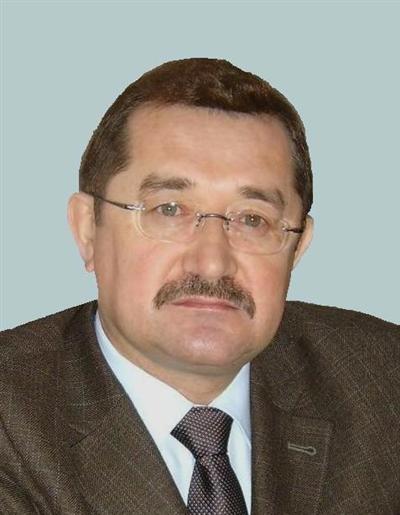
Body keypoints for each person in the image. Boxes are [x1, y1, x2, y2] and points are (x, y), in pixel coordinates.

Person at [0, 58, 399, 515]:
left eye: (253, 219)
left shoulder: (383, 383)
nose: (212, 262)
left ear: (297, 247)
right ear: (88, 229)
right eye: (169, 210)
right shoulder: (12, 424)